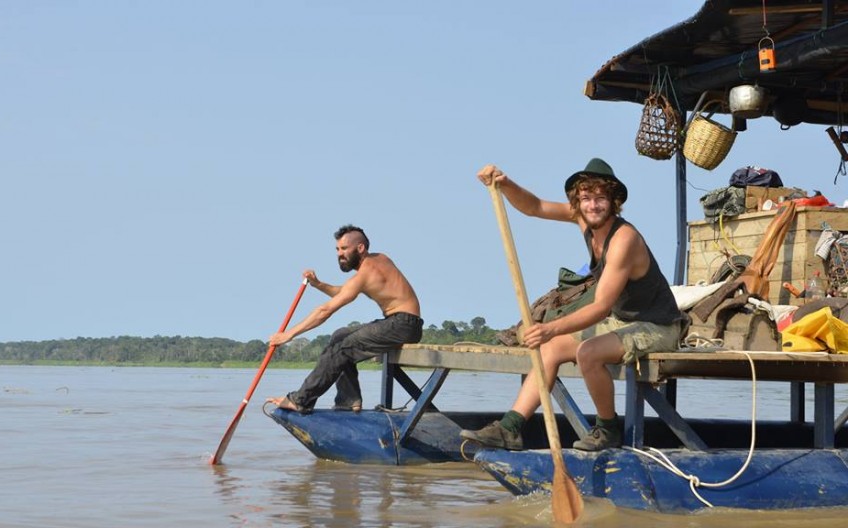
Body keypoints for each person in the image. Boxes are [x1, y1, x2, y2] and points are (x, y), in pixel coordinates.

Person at [460, 158, 685, 451]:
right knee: (550, 349)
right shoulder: (585, 220)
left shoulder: (624, 240)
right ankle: (510, 429)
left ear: (614, 202)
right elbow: (535, 207)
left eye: (601, 198)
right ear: (578, 202)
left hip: (658, 326)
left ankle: (607, 431)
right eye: (586, 199)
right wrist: (504, 184)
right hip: (623, 320)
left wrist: (549, 328)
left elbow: (601, 306)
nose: (593, 206)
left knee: (588, 352)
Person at [266, 225, 423, 413]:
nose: (340, 254)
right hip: (403, 324)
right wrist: (318, 284)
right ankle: (349, 400)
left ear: (360, 248)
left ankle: (301, 400)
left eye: (344, 249)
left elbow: (325, 311)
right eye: (337, 249)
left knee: (341, 348)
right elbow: (344, 291)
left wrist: (288, 335)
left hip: (401, 325)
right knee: (339, 336)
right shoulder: (380, 259)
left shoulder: (365, 274)